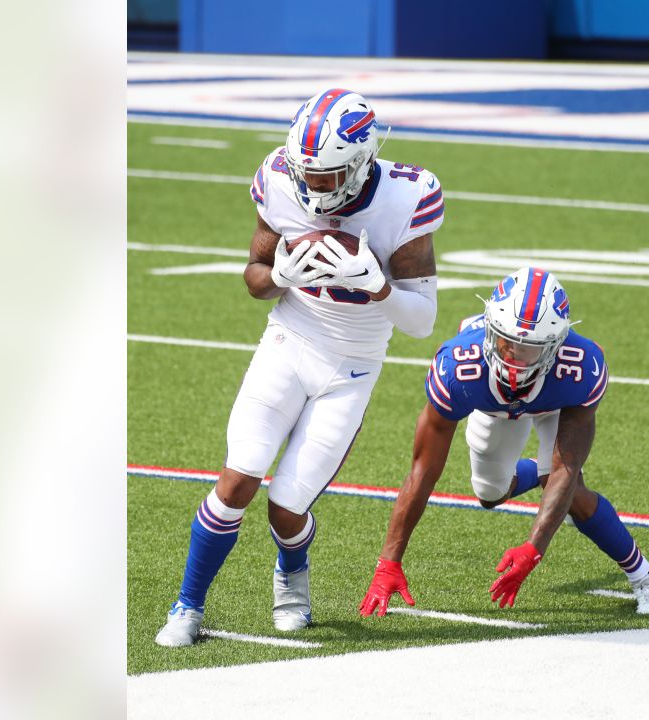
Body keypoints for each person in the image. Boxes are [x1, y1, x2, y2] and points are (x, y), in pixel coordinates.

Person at [155, 89, 444, 646]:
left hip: (352, 368)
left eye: (328, 177)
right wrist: (282, 275)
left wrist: (377, 285)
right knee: (238, 477)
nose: (313, 188)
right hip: (289, 341)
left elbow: (421, 321)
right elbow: (254, 276)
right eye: (305, 174)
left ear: (361, 164)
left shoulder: (406, 197)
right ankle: (187, 605)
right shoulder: (281, 178)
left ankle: (291, 573)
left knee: (287, 510)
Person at [358, 268, 649, 616]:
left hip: (556, 403)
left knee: (571, 494)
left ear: (555, 345)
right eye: (507, 341)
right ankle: (532, 475)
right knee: (490, 494)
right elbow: (422, 470)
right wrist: (389, 561)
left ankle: (646, 576)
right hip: (493, 407)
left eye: (529, 348)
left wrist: (533, 548)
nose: (514, 356)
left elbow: (565, 468)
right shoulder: (459, 368)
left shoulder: (579, 369)